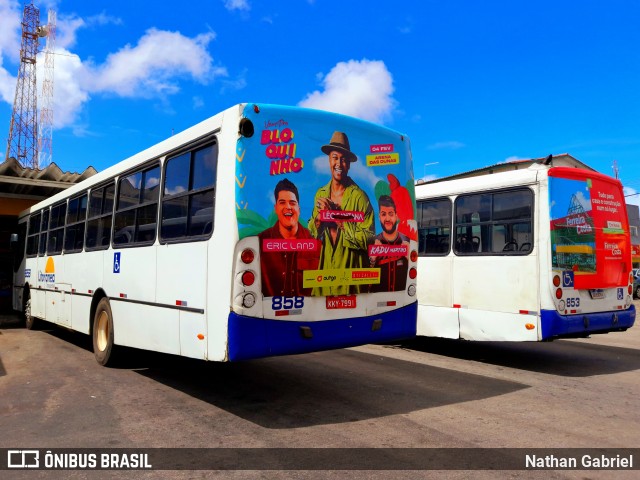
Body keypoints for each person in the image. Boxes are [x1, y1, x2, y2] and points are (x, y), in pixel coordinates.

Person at [308, 131, 374, 295]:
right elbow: (311, 234)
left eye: (343, 159)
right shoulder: (320, 194)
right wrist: (318, 221)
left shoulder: (359, 197)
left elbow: (370, 238)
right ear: (329, 160)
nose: (339, 163)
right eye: (335, 157)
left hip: (350, 282)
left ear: (349, 164)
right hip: (324, 281)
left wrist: (339, 220)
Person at [259, 179, 319, 297]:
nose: (288, 207)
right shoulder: (260, 242)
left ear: (299, 209)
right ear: (276, 208)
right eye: (282, 202)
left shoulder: (316, 244)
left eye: (292, 203)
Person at [369, 195, 410, 292]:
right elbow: (364, 285)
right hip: (374, 301)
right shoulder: (372, 244)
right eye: (383, 214)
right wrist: (372, 260)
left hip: (402, 300)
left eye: (391, 214)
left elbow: (414, 277)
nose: (387, 219)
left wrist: (410, 258)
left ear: (396, 215)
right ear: (379, 217)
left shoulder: (408, 242)